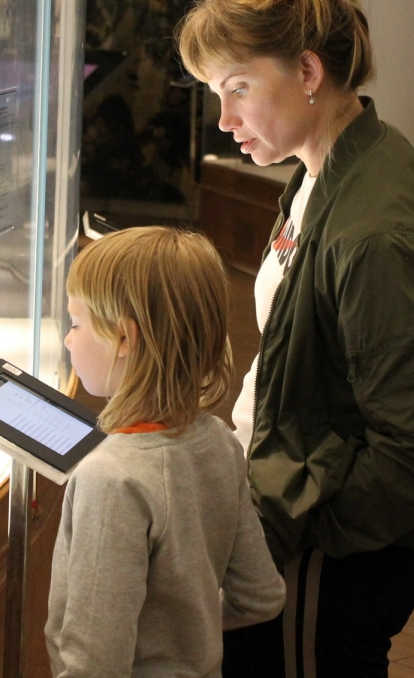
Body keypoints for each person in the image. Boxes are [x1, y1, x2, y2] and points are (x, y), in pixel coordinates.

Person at [176, 0, 414, 677]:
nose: (225, 119)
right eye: (216, 94)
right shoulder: (325, 167)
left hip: (325, 564)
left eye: (238, 88)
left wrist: (296, 529)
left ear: (308, 69)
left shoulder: (374, 228)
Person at [45, 226, 286, 678]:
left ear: (124, 338)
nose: (68, 339)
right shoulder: (219, 441)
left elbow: (94, 666)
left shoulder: (111, 478)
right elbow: (260, 596)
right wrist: (185, 635)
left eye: (76, 323)